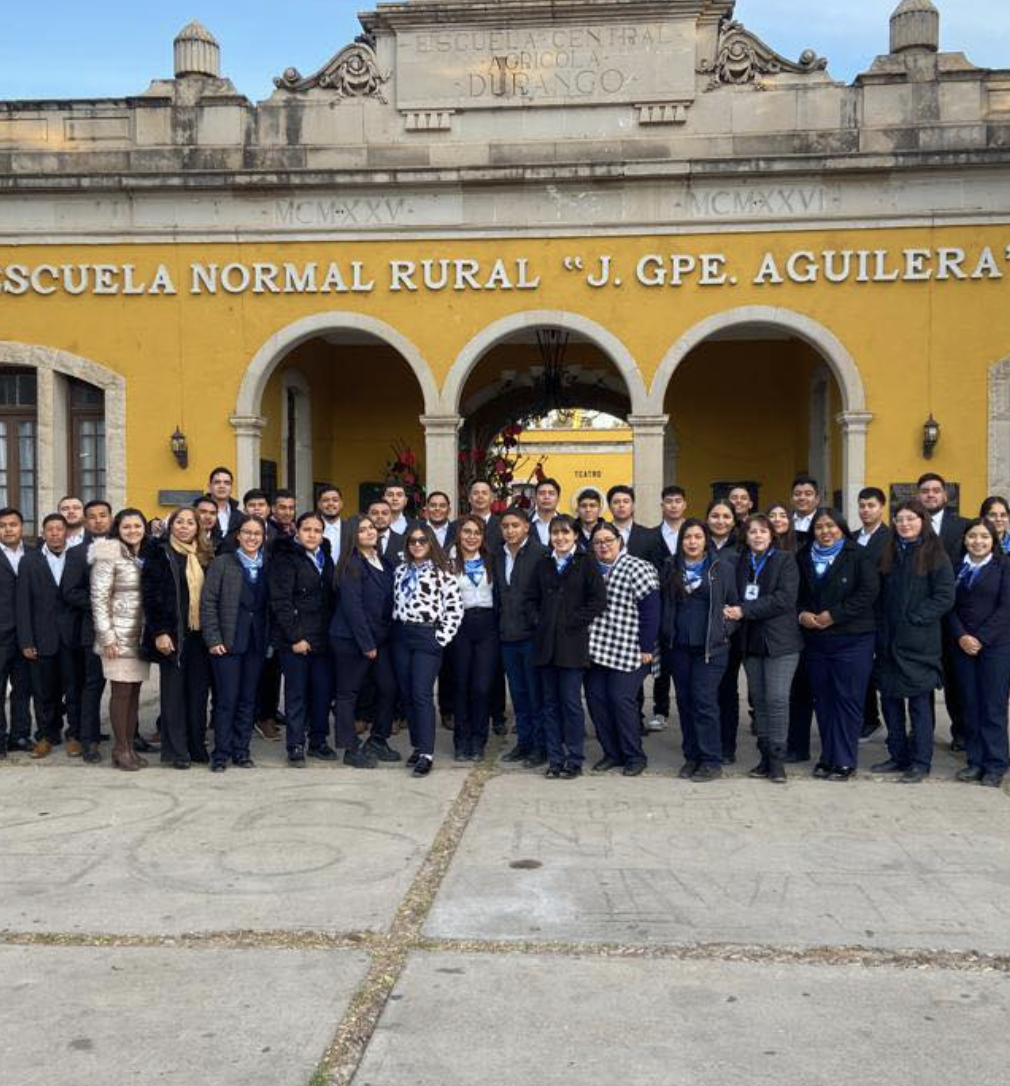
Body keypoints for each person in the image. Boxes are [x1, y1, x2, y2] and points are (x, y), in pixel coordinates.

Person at [870, 499, 955, 783]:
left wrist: (915, 618)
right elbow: (878, 595)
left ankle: (920, 761)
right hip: (888, 641)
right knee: (891, 703)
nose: (904, 524)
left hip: (919, 644)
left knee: (919, 706)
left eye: (911, 519)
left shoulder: (935, 554)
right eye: (900, 519)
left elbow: (944, 596)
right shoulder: (889, 552)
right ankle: (898, 755)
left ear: (922, 521)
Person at [797, 508, 879, 781]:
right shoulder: (803, 556)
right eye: (819, 527)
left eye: (831, 526)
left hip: (853, 639)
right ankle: (827, 756)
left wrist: (835, 615)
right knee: (824, 700)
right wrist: (802, 614)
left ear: (841, 528)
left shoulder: (858, 555)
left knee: (847, 699)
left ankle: (844, 759)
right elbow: (795, 594)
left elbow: (868, 592)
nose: (825, 532)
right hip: (816, 640)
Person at [526, 514, 607, 778]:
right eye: (555, 533)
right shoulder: (543, 564)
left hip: (572, 644)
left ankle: (574, 758)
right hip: (545, 645)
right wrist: (540, 621)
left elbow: (597, 601)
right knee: (549, 704)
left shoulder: (587, 562)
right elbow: (530, 599)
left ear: (575, 536)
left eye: (565, 533)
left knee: (571, 703)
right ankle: (555, 758)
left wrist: (572, 621)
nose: (560, 538)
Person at [724, 514, 802, 783]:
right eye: (752, 532)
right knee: (759, 701)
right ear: (745, 536)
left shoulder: (785, 560)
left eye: (763, 531)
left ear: (772, 536)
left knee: (777, 699)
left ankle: (778, 760)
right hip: (751, 641)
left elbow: (784, 599)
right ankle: (765, 756)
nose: (757, 536)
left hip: (781, 642)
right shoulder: (740, 562)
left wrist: (744, 610)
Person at [660, 518, 739, 782]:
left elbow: (735, 607)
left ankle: (710, 760)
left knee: (704, 702)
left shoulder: (721, 567)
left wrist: (724, 631)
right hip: (679, 647)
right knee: (684, 702)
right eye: (687, 537)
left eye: (697, 537)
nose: (692, 542)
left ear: (706, 540)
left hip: (710, 649)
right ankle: (691, 757)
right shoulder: (671, 566)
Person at [585, 522, 661, 777]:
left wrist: (647, 647)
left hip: (631, 648)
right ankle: (611, 753)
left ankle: (634, 755)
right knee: (596, 701)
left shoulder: (638, 567)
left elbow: (651, 609)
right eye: (597, 542)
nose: (603, 545)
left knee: (621, 700)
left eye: (608, 540)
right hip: (596, 648)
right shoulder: (590, 568)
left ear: (620, 541)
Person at [142, 506, 214, 769]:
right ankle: (176, 751)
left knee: (198, 694)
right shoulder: (159, 552)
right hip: (173, 635)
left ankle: (196, 746)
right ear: (171, 526)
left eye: (190, 522)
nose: (184, 526)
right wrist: (159, 632)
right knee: (173, 695)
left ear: (198, 527)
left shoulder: (206, 555)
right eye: (179, 522)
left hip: (200, 635)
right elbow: (151, 596)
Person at [391, 525, 463, 776]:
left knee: (421, 693)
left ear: (431, 543)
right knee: (408, 693)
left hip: (427, 635)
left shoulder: (443, 572)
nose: (418, 544)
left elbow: (455, 608)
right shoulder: (400, 571)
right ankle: (417, 745)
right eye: (413, 541)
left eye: (423, 540)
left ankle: (427, 753)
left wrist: (441, 638)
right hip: (402, 635)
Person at [201, 515, 271, 771]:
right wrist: (213, 638)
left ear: (264, 538)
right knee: (226, 699)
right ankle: (221, 752)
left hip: (256, 643)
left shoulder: (268, 565)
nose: (252, 537)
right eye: (247, 533)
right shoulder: (222, 563)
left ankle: (242, 751)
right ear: (238, 536)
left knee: (248, 699)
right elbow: (208, 603)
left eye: (257, 533)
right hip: (227, 642)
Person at [330, 515, 400, 767]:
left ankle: (378, 739)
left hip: (379, 638)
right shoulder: (351, 563)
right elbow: (353, 608)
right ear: (352, 536)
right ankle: (350, 749)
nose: (370, 532)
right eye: (362, 530)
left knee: (388, 688)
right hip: (351, 639)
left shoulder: (383, 561)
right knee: (348, 693)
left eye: (372, 528)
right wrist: (366, 644)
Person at [269, 512, 336, 766]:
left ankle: (318, 741)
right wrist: (296, 636)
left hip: (322, 637)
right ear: (297, 531)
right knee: (297, 694)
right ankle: (295, 744)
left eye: (317, 530)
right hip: (295, 639)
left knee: (322, 692)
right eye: (307, 529)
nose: (312, 534)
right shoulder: (285, 558)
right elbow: (281, 602)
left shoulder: (325, 557)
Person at [949, 519, 1010, 787]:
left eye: (984, 536)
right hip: (962, 646)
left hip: (995, 647)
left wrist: (980, 639)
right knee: (970, 705)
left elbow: (1006, 609)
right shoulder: (956, 568)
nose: (978, 541)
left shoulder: (1004, 566)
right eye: (972, 536)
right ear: (965, 540)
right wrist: (961, 635)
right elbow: (948, 606)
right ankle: (975, 761)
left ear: (993, 541)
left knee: (993, 706)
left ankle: (995, 764)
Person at [89, 509, 151, 770]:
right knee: (121, 692)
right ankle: (120, 748)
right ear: (118, 529)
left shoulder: (145, 554)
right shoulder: (108, 553)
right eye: (127, 527)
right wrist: (107, 637)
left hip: (140, 635)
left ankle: (130, 746)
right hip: (117, 636)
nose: (133, 531)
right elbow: (98, 597)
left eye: (137, 526)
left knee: (134, 692)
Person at [16, 513, 79, 759]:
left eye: (59, 529)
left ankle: (74, 735)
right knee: (43, 691)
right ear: (43, 533)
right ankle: (45, 735)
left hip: (71, 637)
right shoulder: (29, 561)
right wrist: (27, 641)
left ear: (66, 533)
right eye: (49, 529)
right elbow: (23, 604)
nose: (54, 533)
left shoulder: (77, 558)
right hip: (41, 638)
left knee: (74, 689)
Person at [495, 506, 546, 767]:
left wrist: (537, 624)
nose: (510, 530)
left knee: (537, 695)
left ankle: (541, 746)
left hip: (532, 637)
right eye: (505, 526)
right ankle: (523, 743)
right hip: (507, 636)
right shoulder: (498, 554)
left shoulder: (540, 553)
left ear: (527, 526)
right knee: (518, 695)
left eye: (515, 525)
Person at [447, 515, 499, 761]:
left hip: (487, 626)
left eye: (477, 532)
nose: (471, 537)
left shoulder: (492, 560)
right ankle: (461, 740)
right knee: (460, 685)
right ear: (459, 534)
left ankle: (479, 740)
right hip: (460, 626)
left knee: (481, 686)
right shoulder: (448, 561)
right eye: (467, 531)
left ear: (483, 536)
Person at [706, 498, 741, 761]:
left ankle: (727, 746)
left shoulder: (742, 548)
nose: (720, 521)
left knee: (727, 690)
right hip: (702, 631)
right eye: (715, 516)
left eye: (726, 516)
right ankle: (707, 743)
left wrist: (730, 625)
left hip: (731, 630)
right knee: (706, 691)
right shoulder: (697, 543)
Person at [856, 487, 889, 741]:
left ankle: (886, 723)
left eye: (871, 505)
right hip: (855, 616)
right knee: (861, 671)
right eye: (862, 505)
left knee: (881, 672)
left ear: (882, 507)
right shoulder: (852, 537)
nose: (866, 510)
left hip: (881, 614)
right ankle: (868, 718)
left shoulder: (890, 538)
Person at [0, 507, 32, 757]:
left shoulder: (33, 555)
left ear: (22, 527)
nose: (8, 529)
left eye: (13, 524)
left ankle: (20, 736)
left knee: (23, 689)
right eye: (3, 525)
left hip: (26, 636)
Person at [607, 485, 655, 560]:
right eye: (616, 502)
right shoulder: (600, 533)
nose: (621, 505)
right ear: (609, 507)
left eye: (626, 502)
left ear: (633, 506)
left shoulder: (649, 535)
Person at [208, 466, 245, 545]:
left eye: (226, 483)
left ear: (232, 488)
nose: (222, 486)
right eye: (217, 482)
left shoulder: (241, 517)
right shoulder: (197, 513)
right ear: (209, 487)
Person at [317, 484, 351, 563]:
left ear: (341, 504)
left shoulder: (352, 529)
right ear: (319, 504)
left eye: (335, 500)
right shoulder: (311, 529)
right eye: (325, 500)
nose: (330, 503)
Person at [368, 498, 406, 564]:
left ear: (391, 517)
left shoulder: (405, 542)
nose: (380, 516)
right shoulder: (356, 542)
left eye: (384, 513)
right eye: (375, 513)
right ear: (367, 516)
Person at [530, 478, 562, 547]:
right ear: (535, 498)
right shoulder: (525, 523)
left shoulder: (567, 523)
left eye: (551, 493)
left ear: (558, 498)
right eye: (542, 493)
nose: (546, 497)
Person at [790, 475, 820, 547]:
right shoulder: (785, 521)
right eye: (797, 494)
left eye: (808, 494)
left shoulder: (824, 520)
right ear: (791, 499)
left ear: (817, 499)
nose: (802, 498)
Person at [575, 489, 606, 553]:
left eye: (592, 506)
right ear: (577, 509)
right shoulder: (571, 532)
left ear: (599, 509)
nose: (588, 510)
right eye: (583, 506)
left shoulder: (609, 531)